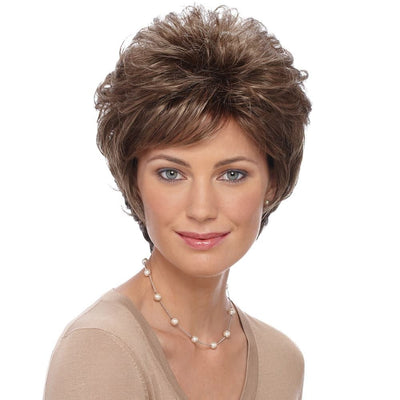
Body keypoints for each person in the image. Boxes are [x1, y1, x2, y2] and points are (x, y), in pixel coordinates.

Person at [44, 5, 311, 400]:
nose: (201, 209)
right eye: (171, 173)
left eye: (232, 174)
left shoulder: (281, 362)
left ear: (273, 182)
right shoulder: (102, 350)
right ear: (134, 180)